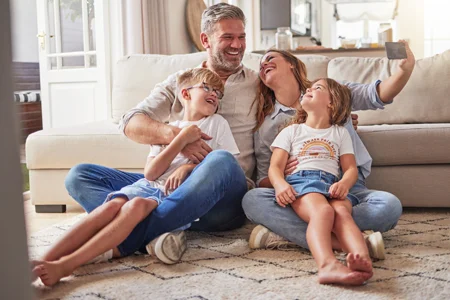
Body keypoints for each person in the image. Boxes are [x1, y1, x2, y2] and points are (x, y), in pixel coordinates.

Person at [64, 3, 254, 264]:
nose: (237, 45)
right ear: (205, 40)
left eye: (241, 37)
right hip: (166, 187)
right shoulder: (181, 82)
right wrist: (179, 138)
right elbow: (130, 121)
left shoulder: (257, 82)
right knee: (80, 176)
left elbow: (295, 102)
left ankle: (129, 236)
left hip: (222, 199)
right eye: (227, 37)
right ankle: (166, 230)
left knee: (220, 160)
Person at [32, 68, 242, 286]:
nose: (214, 95)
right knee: (109, 206)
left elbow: (224, 163)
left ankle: (68, 264)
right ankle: (44, 260)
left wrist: (187, 167)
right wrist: (180, 139)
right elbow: (150, 173)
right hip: (150, 185)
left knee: (135, 207)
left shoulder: (217, 123)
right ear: (185, 94)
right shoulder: (167, 128)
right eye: (207, 88)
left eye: (218, 93)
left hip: (177, 193)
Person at [243, 45, 415, 259]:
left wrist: (404, 70)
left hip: (346, 188)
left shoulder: (333, 91)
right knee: (253, 199)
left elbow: (378, 94)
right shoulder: (268, 125)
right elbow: (264, 180)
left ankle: (286, 234)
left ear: (291, 63)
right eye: (260, 65)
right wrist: (282, 177)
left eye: (270, 58)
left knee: (388, 207)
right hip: (300, 191)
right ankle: (350, 242)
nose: (263, 64)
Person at [269, 78, 372, 285]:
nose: (309, 89)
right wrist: (281, 185)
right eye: (309, 87)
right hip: (303, 182)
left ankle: (362, 258)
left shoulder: (340, 132)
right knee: (324, 212)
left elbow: (351, 168)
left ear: (331, 102)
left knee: (342, 213)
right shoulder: (291, 131)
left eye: (318, 88)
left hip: (332, 184)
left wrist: (344, 184)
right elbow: (275, 168)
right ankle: (327, 265)